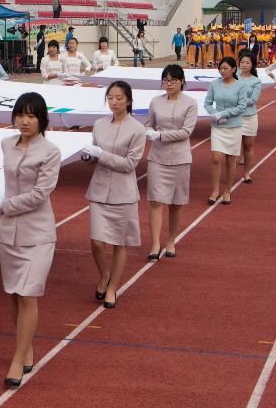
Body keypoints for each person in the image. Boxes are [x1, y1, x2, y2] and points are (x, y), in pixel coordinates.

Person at [0, 92, 61, 388]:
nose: (24, 121)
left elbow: (40, 194)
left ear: (42, 119)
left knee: (28, 294)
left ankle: (17, 358)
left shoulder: (50, 151)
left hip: (37, 232)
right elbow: (7, 183)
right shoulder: (6, 144)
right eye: (20, 115)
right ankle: (26, 348)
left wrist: (6, 205)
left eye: (31, 116)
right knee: (14, 294)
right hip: (8, 233)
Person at [80, 81, 145, 309]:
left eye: (119, 98)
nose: (114, 102)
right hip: (98, 189)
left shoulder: (137, 129)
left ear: (128, 100)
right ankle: (104, 274)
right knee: (97, 242)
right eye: (110, 98)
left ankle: (113, 286)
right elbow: (95, 154)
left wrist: (101, 154)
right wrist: (89, 156)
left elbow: (129, 164)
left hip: (123, 193)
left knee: (120, 243)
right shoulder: (99, 124)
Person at [143, 64, 197, 260]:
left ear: (181, 81)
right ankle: (155, 243)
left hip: (180, 158)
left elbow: (186, 132)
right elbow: (149, 123)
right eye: (165, 80)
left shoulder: (190, 103)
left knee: (176, 203)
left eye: (172, 80)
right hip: (157, 157)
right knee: (156, 200)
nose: (168, 84)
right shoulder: (155, 101)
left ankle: (171, 240)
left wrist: (160, 135)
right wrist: (148, 132)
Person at [204, 56, 245, 205]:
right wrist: (214, 113)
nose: (222, 71)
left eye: (225, 68)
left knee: (230, 160)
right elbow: (207, 103)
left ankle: (227, 190)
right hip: (218, 126)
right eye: (220, 68)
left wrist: (224, 114)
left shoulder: (241, 86)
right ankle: (215, 190)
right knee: (216, 158)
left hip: (233, 126)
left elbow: (241, 107)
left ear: (233, 69)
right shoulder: (214, 84)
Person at [235, 52, 263, 184]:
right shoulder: (234, 78)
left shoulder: (256, 81)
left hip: (249, 116)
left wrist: (238, 100)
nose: (244, 65)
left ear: (252, 65)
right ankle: (231, 171)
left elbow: (253, 100)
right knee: (233, 145)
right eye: (242, 62)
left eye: (247, 62)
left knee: (249, 145)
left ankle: (247, 173)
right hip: (235, 117)